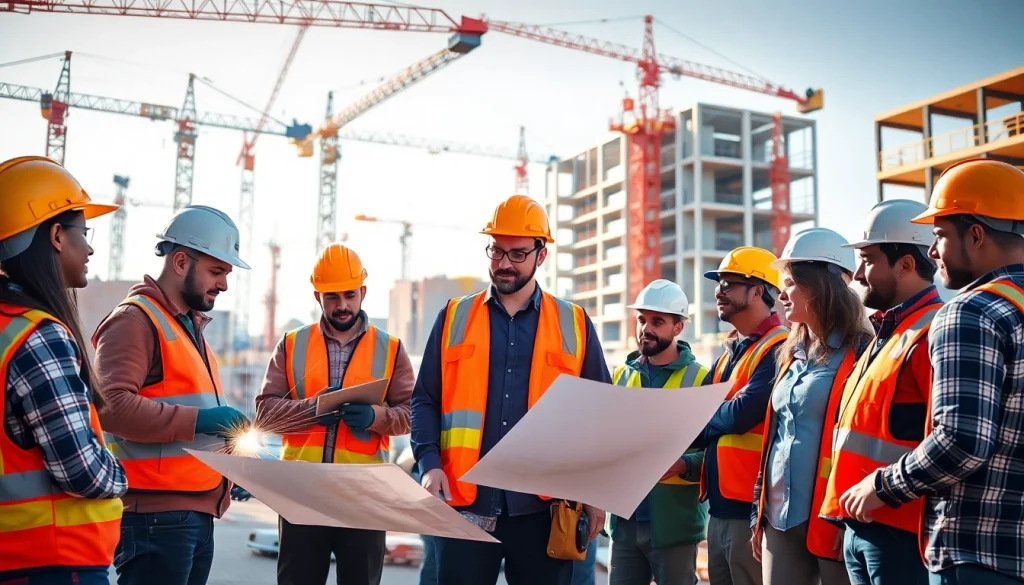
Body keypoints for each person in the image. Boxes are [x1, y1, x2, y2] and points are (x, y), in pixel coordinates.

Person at [841, 158, 1024, 585]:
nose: (933, 252)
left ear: (975, 234)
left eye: (940, 235)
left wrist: (881, 486)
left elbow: (962, 442)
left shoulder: (972, 311)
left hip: (976, 554)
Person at [410, 194, 609, 585]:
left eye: (517, 254)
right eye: (497, 250)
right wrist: (429, 464)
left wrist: (594, 490)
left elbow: (599, 413)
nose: (503, 263)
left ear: (541, 255)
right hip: (464, 503)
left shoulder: (574, 322)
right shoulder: (453, 317)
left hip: (543, 508)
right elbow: (425, 400)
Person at [93, 204, 252, 585]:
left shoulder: (186, 329)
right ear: (180, 262)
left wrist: (233, 470)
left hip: (191, 513)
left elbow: (187, 420)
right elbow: (111, 407)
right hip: (155, 517)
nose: (224, 285)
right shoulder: (135, 321)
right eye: (216, 271)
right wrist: (202, 420)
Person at [255, 242, 415, 585]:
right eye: (332, 297)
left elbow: (411, 413)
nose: (342, 305)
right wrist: (311, 411)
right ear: (318, 296)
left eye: (349, 295)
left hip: (364, 496)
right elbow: (265, 413)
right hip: (302, 493)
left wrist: (376, 418)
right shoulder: (291, 344)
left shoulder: (391, 348)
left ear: (363, 292)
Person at [0, 156, 127, 585]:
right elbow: (81, 469)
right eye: (83, 233)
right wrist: (124, 476)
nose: (90, 249)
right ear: (56, 236)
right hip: (53, 562)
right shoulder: (36, 334)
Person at [817, 199, 942, 585]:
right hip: (859, 523)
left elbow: (946, 439)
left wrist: (884, 491)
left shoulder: (931, 332)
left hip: (901, 531)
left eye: (868, 260)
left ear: (905, 264)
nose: (856, 274)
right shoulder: (886, 333)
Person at [749, 228, 871, 585]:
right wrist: (758, 512)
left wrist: (849, 518)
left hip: (835, 518)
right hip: (779, 518)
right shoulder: (789, 353)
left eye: (789, 283)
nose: (781, 294)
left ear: (818, 286)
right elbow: (775, 438)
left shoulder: (862, 350)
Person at [692, 246, 788, 585]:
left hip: (751, 511)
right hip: (719, 510)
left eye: (728, 284)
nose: (718, 292)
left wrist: (705, 418)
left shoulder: (779, 346)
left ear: (758, 291)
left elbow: (743, 413)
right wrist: (707, 417)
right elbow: (693, 413)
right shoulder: (730, 352)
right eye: (718, 284)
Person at [608, 279, 711, 585]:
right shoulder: (620, 376)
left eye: (657, 322)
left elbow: (717, 451)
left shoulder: (702, 379)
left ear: (678, 327)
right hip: (624, 523)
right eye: (641, 319)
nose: (646, 328)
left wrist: (684, 464)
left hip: (674, 523)